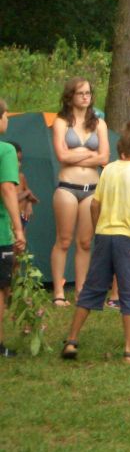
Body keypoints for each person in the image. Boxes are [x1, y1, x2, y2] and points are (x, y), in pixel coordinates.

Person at [61, 121, 130, 363]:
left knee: (92, 288)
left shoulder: (108, 170)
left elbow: (94, 205)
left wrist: (99, 229)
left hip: (104, 237)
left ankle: (71, 341)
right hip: (128, 240)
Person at [50, 77, 110, 305]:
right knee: (64, 240)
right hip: (68, 187)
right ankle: (58, 291)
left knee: (85, 242)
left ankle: (81, 291)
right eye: (80, 93)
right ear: (70, 96)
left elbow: (104, 158)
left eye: (88, 93)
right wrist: (90, 155)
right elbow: (62, 156)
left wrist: (77, 155)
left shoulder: (99, 124)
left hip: (92, 188)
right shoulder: (61, 122)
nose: (85, 97)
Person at [0, 99, 26, 357]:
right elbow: (7, 188)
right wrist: (18, 229)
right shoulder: (6, 150)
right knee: (1, 289)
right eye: (6, 115)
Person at [8, 142, 38, 227]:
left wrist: (29, 204)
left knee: (22, 234)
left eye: (20, 160)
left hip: (22, 215)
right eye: (15, 160)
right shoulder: (4, 180)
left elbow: (29, 195)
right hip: (9, 218)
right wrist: (27, 193)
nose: (19, 164)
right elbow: (10, 199)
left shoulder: (21, 177)